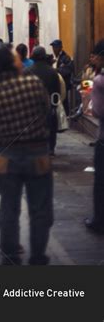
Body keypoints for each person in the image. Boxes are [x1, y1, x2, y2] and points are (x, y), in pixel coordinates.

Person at [0, 44, 53, 265]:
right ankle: (38, 255)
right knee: (40, 208)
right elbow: (46, 110)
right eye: (16, 58)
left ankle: (9, 256)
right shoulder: (32, 84)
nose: (20, 60)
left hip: (5, 155)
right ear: (11, 63)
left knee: (9, 208)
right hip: (37, 151)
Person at [84, 39, 104, 234]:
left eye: (95, 55)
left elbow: (97, 112)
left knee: (100, 182)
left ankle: (99, 220)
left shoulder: (99, 80)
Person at [27, 46, 62, 155]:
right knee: (50, 127)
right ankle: (50, 148)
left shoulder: (28, 71)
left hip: (32, 106)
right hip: (49, 105)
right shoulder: (52, 72)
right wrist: (54, 105)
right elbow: (57, 91)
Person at [50, 39, 74, 116]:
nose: (54, 49)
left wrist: (55, 70)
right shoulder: (54, 58)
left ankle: (66, 117)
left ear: (60, 48)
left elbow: (67, 70)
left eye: (56, 47)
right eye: (53, 47)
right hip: (56, 84)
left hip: (64, 84)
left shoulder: (66, 58)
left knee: (64, 102)